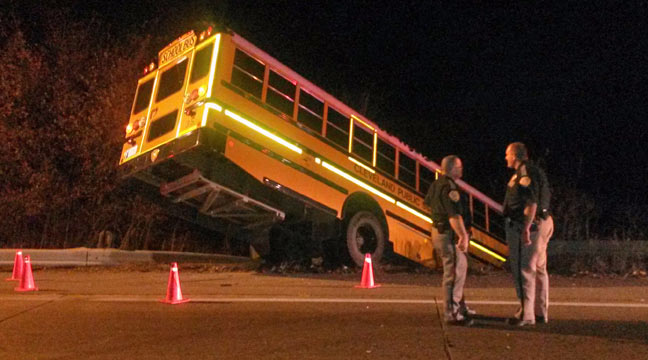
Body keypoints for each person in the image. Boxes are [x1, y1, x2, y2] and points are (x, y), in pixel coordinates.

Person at [502, 142, 554, 326]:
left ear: (515, 155)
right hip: (542, 222)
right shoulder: (534, 171)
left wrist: (525, 228)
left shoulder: (525, 173)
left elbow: (531, 203)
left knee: (523, 270)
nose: (506, 158)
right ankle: (540, 312)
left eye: (507, 154)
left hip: (529, 226)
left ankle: (526, 314)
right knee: (539, 269)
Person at [425, 155, 475, 324]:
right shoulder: (449, 187)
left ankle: (460, 307)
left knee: (459, 267)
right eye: (459, 167)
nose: (461, 169)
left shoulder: (436, 184)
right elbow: (453, 215)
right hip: (447, 234)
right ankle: (451, 313)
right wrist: (463, 236)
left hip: (438, 231)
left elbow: (428, 203)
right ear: (452, 169)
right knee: (453, 273)